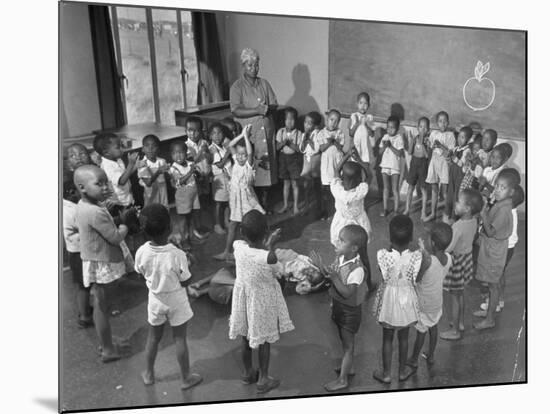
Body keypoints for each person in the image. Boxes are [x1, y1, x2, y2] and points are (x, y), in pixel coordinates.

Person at [134, 204, 202, 390]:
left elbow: (140, 272)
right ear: (170, 227)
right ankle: (186, 378)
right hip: (176, 301)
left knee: (153, 338)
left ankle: (148, 373)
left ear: (144, 230)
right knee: (180, 339)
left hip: (155, 300)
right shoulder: (177, 254)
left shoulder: (141, 251)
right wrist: (192, 265)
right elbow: (186, 281)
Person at [229, 210, 294, 393]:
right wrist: (271, 243)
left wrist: (266, 241)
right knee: (264, 340)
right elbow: (274, 263)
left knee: (245, 336)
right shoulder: (267, 257)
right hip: (262, 301)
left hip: (244, 299)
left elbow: (253, 251)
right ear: (265, 232)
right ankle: (263, 379)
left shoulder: (238, 247)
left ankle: (248, 372)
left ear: (242, 232)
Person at [73, 165, 130, 362]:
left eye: (106, 182)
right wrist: (124, 225)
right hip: (102, 262)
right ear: (82, 187)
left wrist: (107, 209)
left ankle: (106, 341)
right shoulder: (95, 212)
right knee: (102, 306)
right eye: (99, 184)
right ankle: (107, 349)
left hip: (94, 260)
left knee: (100, 304)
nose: (105, 187)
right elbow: (114, 237)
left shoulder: (83, 205)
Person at [310, 225, 369, 391]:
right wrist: (320, 266)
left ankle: (343, 380)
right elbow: (331, 276)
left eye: (342, 241)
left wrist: (335, 278)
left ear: (354, 248)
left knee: (349, 346)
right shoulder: (341, 258)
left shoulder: (357, 269)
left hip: (349, 312)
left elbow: (347, 293)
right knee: (344, 342)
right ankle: (348, 367)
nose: (337, 242)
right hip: (339, 307)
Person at [372, 215, 428, 383]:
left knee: (387, 337)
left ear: (390, 237)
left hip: (389, 299)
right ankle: (402, 371)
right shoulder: (417, 256)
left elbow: (383, 275)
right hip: (407, 299)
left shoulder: (382, 255)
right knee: (404, 337)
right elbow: (416, 276)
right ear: (411, 237)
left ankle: (387, 373)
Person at [229, 48, 279, 212]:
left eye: (256, 65)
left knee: (266, 170)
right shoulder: (237, 86)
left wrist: (267, 108)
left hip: (266, 132)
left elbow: (274, 104)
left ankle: (264, 203)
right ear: (243, 66)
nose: (254, 68)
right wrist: (257, 110)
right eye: (250, 65)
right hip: (249, 135)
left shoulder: (264, 83)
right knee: (251, 169)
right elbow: (235, 110)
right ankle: (251, 205)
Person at [473, 170, 517, 330]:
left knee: (493, 285)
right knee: (494, 284)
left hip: (494, 252)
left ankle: (490, 318)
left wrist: (483, 214)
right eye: (497, 186)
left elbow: (491, 231)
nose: (497, 190)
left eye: (502, 188)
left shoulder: (505, 210)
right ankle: (490, 310)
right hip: (492, 249)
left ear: (511, 192)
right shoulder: (501, 203)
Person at [214, 125, 265, 262]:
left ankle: (254, 251)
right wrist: (242, 135)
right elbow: (231, 145)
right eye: (239, 154)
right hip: (236, 200)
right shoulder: (236, 161)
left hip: (247, 199)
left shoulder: (249, 165)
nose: (241, 157)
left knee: (249, 225)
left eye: (244, 155)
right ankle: (226, 251)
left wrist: (246, 139)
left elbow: (248, 153)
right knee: (233, 225)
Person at [407, 223, 452, 369]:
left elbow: (417, 279)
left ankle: (414, 359)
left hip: (424, 303)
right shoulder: (449, 258)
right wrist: (424, 251)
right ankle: (431, 355)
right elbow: (433, 264)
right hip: (437, 301)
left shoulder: (427, 262)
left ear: (432, 242)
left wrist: (421, 254)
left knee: (421, 330)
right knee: (433, 326)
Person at [439, 189, 483, 340]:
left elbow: (449, 248)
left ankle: (455, 331)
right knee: (461, 293)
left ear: (467, 208)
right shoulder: (473, 220)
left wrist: (446, 231)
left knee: (454, 297)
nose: (455, 204)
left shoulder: (457, 226)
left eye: (459, 202)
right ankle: (461, 323)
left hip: (456, 263)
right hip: (467, 259)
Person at [329, 152, 374, 290]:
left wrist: (346, 155)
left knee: (339, 255)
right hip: (359, 225)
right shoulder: (361, 190)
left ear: (343, 177)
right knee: (364, 256)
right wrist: (359, 159)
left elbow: (336, 170)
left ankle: (338, 283)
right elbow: (370, 175)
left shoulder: (337, 189)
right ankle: (369, 284)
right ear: (359, 179)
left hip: (341, 226)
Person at [63, 168, 93, 328]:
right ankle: (85, 316)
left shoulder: (64, 206)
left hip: (74, 251)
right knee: (84, 286)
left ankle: (85, 311)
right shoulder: (73, 210)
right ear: (71, 192)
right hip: (80, 252)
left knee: (83, 285)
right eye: (80, 189)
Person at [168, 141, 205, 250]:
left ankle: (191, 236)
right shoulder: (173, 168)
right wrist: (190, 172)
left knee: (191, 217)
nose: (178, 155)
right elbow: (180, 182)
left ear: (186, 153)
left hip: (193, 195)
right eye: (175, 153)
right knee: (183, 219)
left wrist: (198, 174)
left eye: (181, 152)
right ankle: (184, 240)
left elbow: (198, 177)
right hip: (183, 197)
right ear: (171, 155)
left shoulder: (190, 164)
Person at [93, 133, 138, 217]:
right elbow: (122, 181)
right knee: (126, 223)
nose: (122, 149)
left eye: (122, 145)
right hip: (119, 204)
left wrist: (135, 167)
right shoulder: (107, 166)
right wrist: (131, 164)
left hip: (126, 199)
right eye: (118, 147)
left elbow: (125, 175)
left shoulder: (118, 159)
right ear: (106, 152)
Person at [424, 111, 456, 222]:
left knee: (444, 192)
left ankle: (448, 215)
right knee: (434, 189)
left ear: (448, 123)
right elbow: (431, 149)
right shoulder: (433, 133)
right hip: (434, 161)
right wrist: (428, 144)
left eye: (445, 121)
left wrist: (441, 145)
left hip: (444, 164)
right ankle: (433, 213)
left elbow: (450, 153)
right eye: (440, 121)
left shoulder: (450, 135)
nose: (442, 124)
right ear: (437, 123)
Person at [315, 109, 346, 220]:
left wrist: (335, 141)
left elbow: (341, 147)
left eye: (337, 121)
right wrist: (329, 142)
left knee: (337, 188)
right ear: (327, 120)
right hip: (327, 166)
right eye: (332, 120)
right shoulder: (322, 133)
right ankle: (325, 212)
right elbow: (322, 148)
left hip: (337, 164)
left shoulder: (339, 133)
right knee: (325, 190)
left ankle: (338, 211)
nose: (334, 123)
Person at [275, 107, 303, 215]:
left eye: (292, 119)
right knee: (286, 183)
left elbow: (299, 149)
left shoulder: (298, 133)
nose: (289, 122)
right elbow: (277, 148)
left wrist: (290, 144)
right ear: (284, 120)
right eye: (287, 119)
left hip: (294, 160)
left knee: (294, 183)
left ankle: (296, 206)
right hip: (283, 160)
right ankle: (286, 205)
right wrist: (283, 143)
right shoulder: (280, 132)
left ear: (295, 120)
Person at [444, 126, 473, 223]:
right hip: (452, 174)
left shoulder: (467, 151)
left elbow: (462, 164)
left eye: (463, 137)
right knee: (450, 194)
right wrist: (448, 158)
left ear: (468, 140)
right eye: (459, 136)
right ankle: (447, 213)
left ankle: (453, 216)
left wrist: (453, 158)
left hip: (459, 177)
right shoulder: (456, 148)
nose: (459, 139)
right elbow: (451, 162)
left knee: (456, 196)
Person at [404, 117, 430, 218]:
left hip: (423, 164)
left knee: (423, 189)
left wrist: (422, 144)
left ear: (428, 130)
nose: (422, 129)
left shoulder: (428, 141)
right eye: (420, 127)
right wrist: (411, 141)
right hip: (414, 163)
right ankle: (407, 208)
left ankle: (423, 212)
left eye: (425, 127)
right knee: (410, 187)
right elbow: (410, 152)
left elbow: (427, 155)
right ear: (417, 128)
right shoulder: (415, 138)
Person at [378, 115, 405, 217]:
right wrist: (385, 145)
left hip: (394, 167)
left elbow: (399, 153)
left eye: (392, 127)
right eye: (388, 127)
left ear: (397, 129)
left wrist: (391, 146)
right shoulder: (385, 137)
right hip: (385, 165)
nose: (389, 129)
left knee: (395, 189)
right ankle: (385, 209)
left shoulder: (399, 138)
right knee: (386, 188)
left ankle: (396, 210)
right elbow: (380, 152)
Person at [209, 122, 232, 235]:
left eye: (219, 133)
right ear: (210, 136)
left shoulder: (223, 146)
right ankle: (217, 225)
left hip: (227, 177)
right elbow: (220, 164)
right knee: (218, 202)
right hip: (219, 177)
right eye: (214, 133)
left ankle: (226, 221)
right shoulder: (212, 149)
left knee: (227, 201)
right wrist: (229, 152)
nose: (217, 136)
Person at [137, 134, 169, 207]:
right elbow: (148, 183)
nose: (150, 148)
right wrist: (158, 172)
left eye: (154, 146)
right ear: (143, 149)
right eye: (147, 145)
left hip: (163, 195)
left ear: (158, 149)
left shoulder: (162, 161)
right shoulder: (142, 164)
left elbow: (168, 176)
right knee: (152, 214)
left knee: (164, 212)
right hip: (151, 196)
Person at [185, 116, 212, 201]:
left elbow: (210, 160)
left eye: (196, 130)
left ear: (201, 131)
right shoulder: (186, 146)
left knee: (207, 196)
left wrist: (207, 152)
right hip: (195, 177)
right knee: (198, 198)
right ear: (185, 131)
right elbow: (192, 161)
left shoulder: (204, 142)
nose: (193, 133)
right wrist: (200, 151)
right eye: (190, 130)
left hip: (206, 174)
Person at [300, 111, 323, 211]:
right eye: (305, 122)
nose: (306, 125)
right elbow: (301, 149)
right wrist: (305, 140)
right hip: (307, 160)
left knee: (316, 184)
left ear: (316, 126)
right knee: (306, 184)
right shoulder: (303, 134)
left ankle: (319, 206)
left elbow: (317, 149)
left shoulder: (318, 134)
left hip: (315, 161)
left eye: (309, 123)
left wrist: (310, 140)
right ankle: (306, 204)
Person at [349, 92, 375, 172]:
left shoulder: (369, 117)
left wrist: (367, 125)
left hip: (365, 147)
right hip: (356, 146)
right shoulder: (354, 116)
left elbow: (372, 134)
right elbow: (351, 133)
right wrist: (357, 124)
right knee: (355, 167)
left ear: (369, 105)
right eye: (361, 103)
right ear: (357, 104)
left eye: (365, 103)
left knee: (365, 167)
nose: (363, 106)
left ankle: (364, 183)